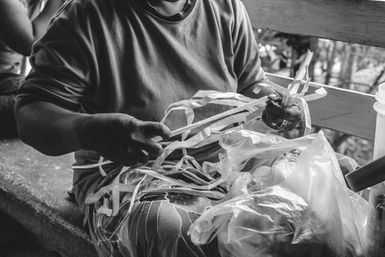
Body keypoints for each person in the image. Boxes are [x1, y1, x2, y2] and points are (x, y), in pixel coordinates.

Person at [14, 0, 303, 256]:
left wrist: (274, 103)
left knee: (325, 180)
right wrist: (89, 130)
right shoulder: (86, 15)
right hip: (126, 180)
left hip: (223, 168)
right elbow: (31, 113)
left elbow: (251, 84)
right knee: (167, 227)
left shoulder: (226, 8)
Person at [0, 0, 64, 137]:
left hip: (7, 80)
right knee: (43, 106)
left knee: (61, 95)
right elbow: (30, 44)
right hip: (4, 81)